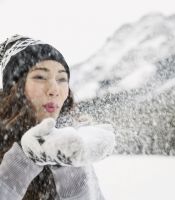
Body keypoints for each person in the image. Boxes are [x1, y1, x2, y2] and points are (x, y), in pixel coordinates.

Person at [0, 35, 115, 200]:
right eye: (40, 77)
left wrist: (68, 165)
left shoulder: (69, 142)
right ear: (14, 88)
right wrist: (22, 160)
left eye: (62, 79)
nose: (54, 89)